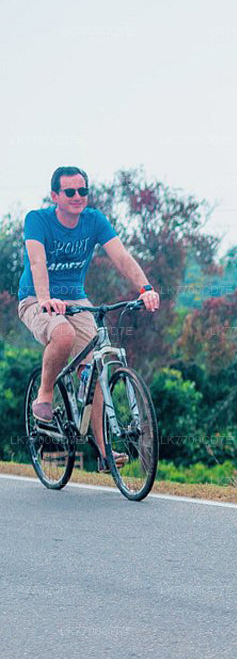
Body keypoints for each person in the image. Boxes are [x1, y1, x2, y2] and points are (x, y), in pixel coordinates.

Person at [19, 166, 160, 464]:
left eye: (82, 191)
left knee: (96, 364)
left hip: (76, 299)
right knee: (63, 333)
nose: (77, 197)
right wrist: (45, 299)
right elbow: (37, 261)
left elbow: (121, 256)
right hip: (36, 298)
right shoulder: (37, 220)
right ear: (55, 195)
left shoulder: (94, 221)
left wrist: (145, 288)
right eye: (70, 192)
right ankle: (44, 395)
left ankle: (103, 450)